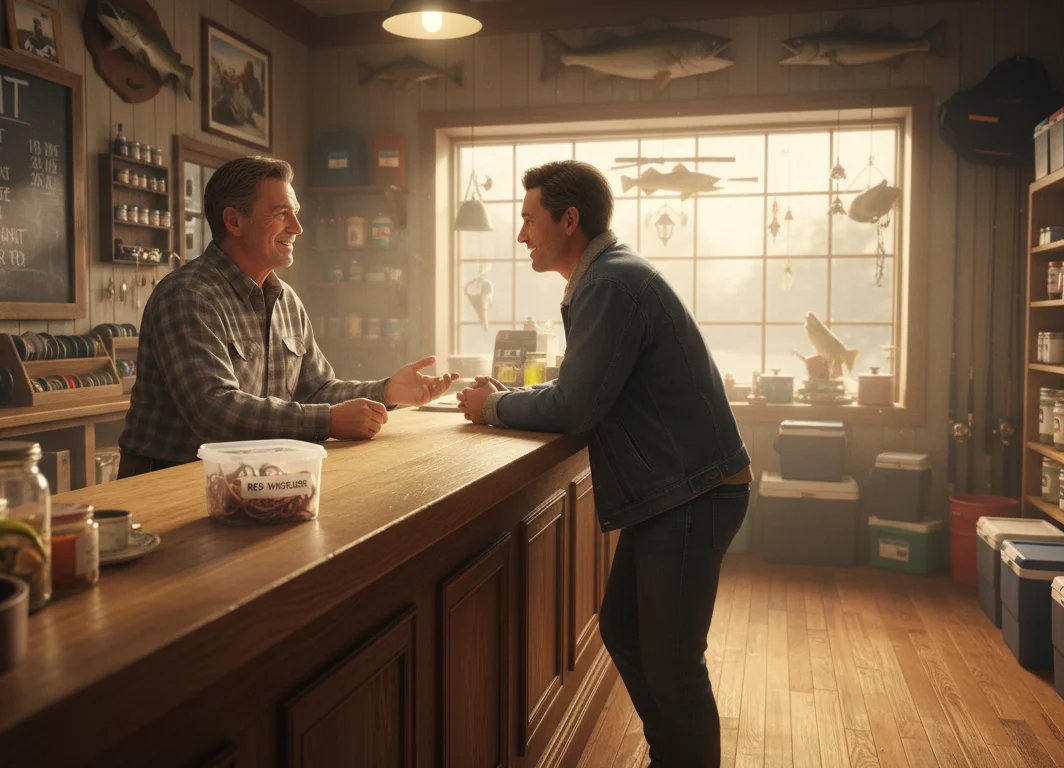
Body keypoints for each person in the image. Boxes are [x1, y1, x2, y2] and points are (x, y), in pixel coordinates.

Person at [458, 160, 752, 767]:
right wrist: (505, 402)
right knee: (625, 631)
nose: (521, 236)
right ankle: (670, 754)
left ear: (570, 220)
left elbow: (577, 403)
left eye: (528, 220)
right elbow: (585, 390)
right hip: (675, 489)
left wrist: (491, 406)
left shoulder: (611, 284)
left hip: (692, 492)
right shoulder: (606, 279)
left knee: (672, 664)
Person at [119, 156, 457, 478]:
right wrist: (327, 421)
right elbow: (214, 412)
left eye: (295, 213)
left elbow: (315, 389)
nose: (297, 227)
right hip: (165, 481)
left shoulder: (285, 299)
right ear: (234, 221)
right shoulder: (187, 297)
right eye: (282, 213)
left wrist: (385, 391)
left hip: (247, 478)